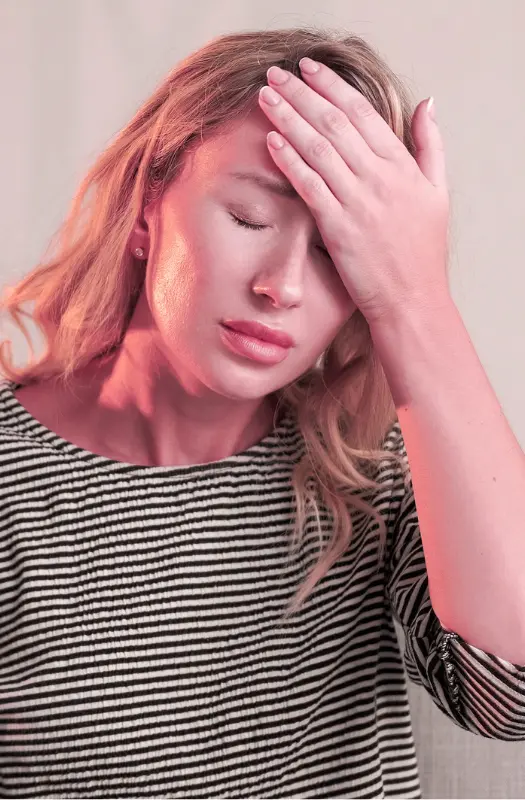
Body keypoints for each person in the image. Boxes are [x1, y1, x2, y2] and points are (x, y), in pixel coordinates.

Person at [0, 25, 524, 800]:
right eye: (249, 218)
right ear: (147, 207)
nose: (281, 285)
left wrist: (414, 297)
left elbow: (509, 698)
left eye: (339, 253)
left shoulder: (379, 469)